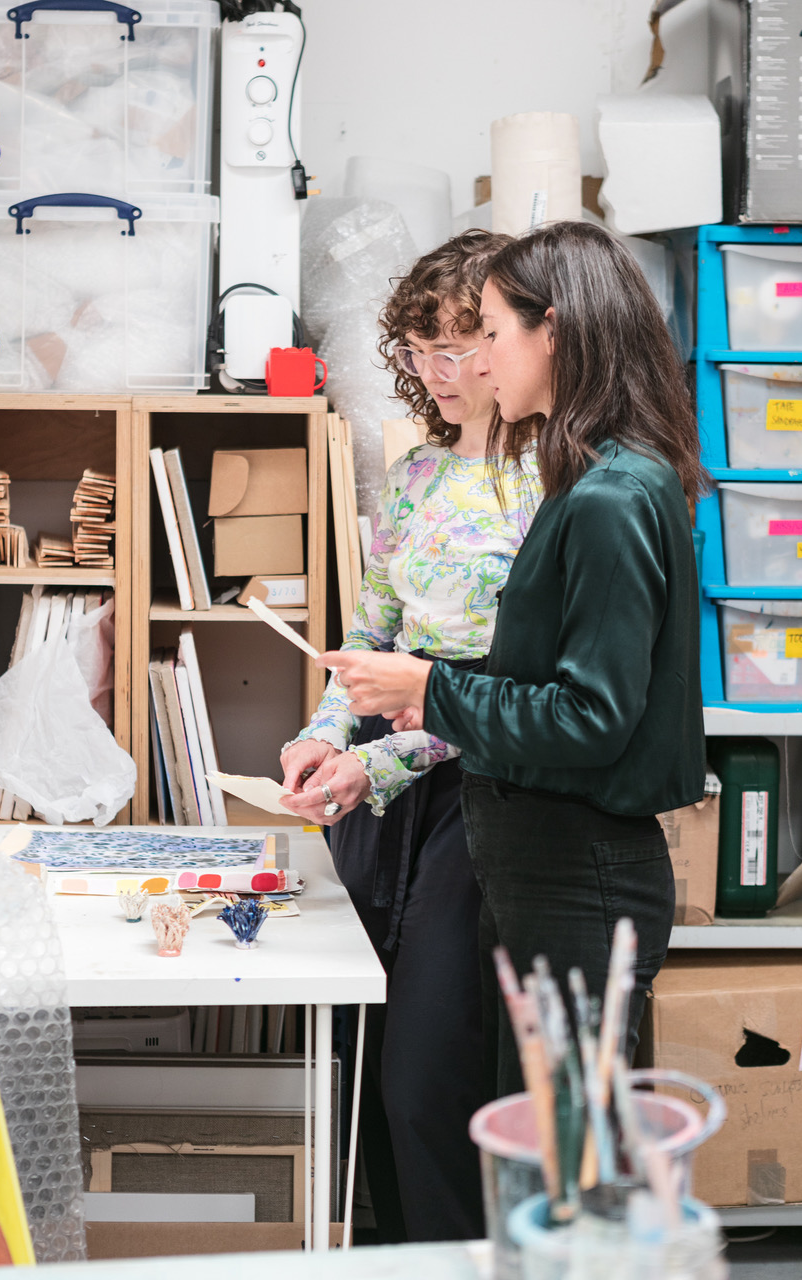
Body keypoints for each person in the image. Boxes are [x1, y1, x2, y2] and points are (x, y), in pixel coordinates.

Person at [320, 220, 707, 1099]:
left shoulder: (607, 495)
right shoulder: (602, 480)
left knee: (564, 1168)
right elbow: (543, 684)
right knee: (534, 1152)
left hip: (578, 868)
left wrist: (432, 689)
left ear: (555, 334)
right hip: (544, 862)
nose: (479, 365)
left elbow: (589, 716)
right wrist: (415, 704)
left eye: (488, 336)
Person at [278, 230, 543, 1242]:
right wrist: (319, 733)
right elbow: (372, 636)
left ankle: (452, 1258)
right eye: (420, 346)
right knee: (362, 1055)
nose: (434, 371)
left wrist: (374, 757)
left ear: (510, 342)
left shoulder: (545, 485)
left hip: (474, 802)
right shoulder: (420, 473)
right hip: (377, 799)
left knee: (427, 1072)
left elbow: (507, 690)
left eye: (456, 346)